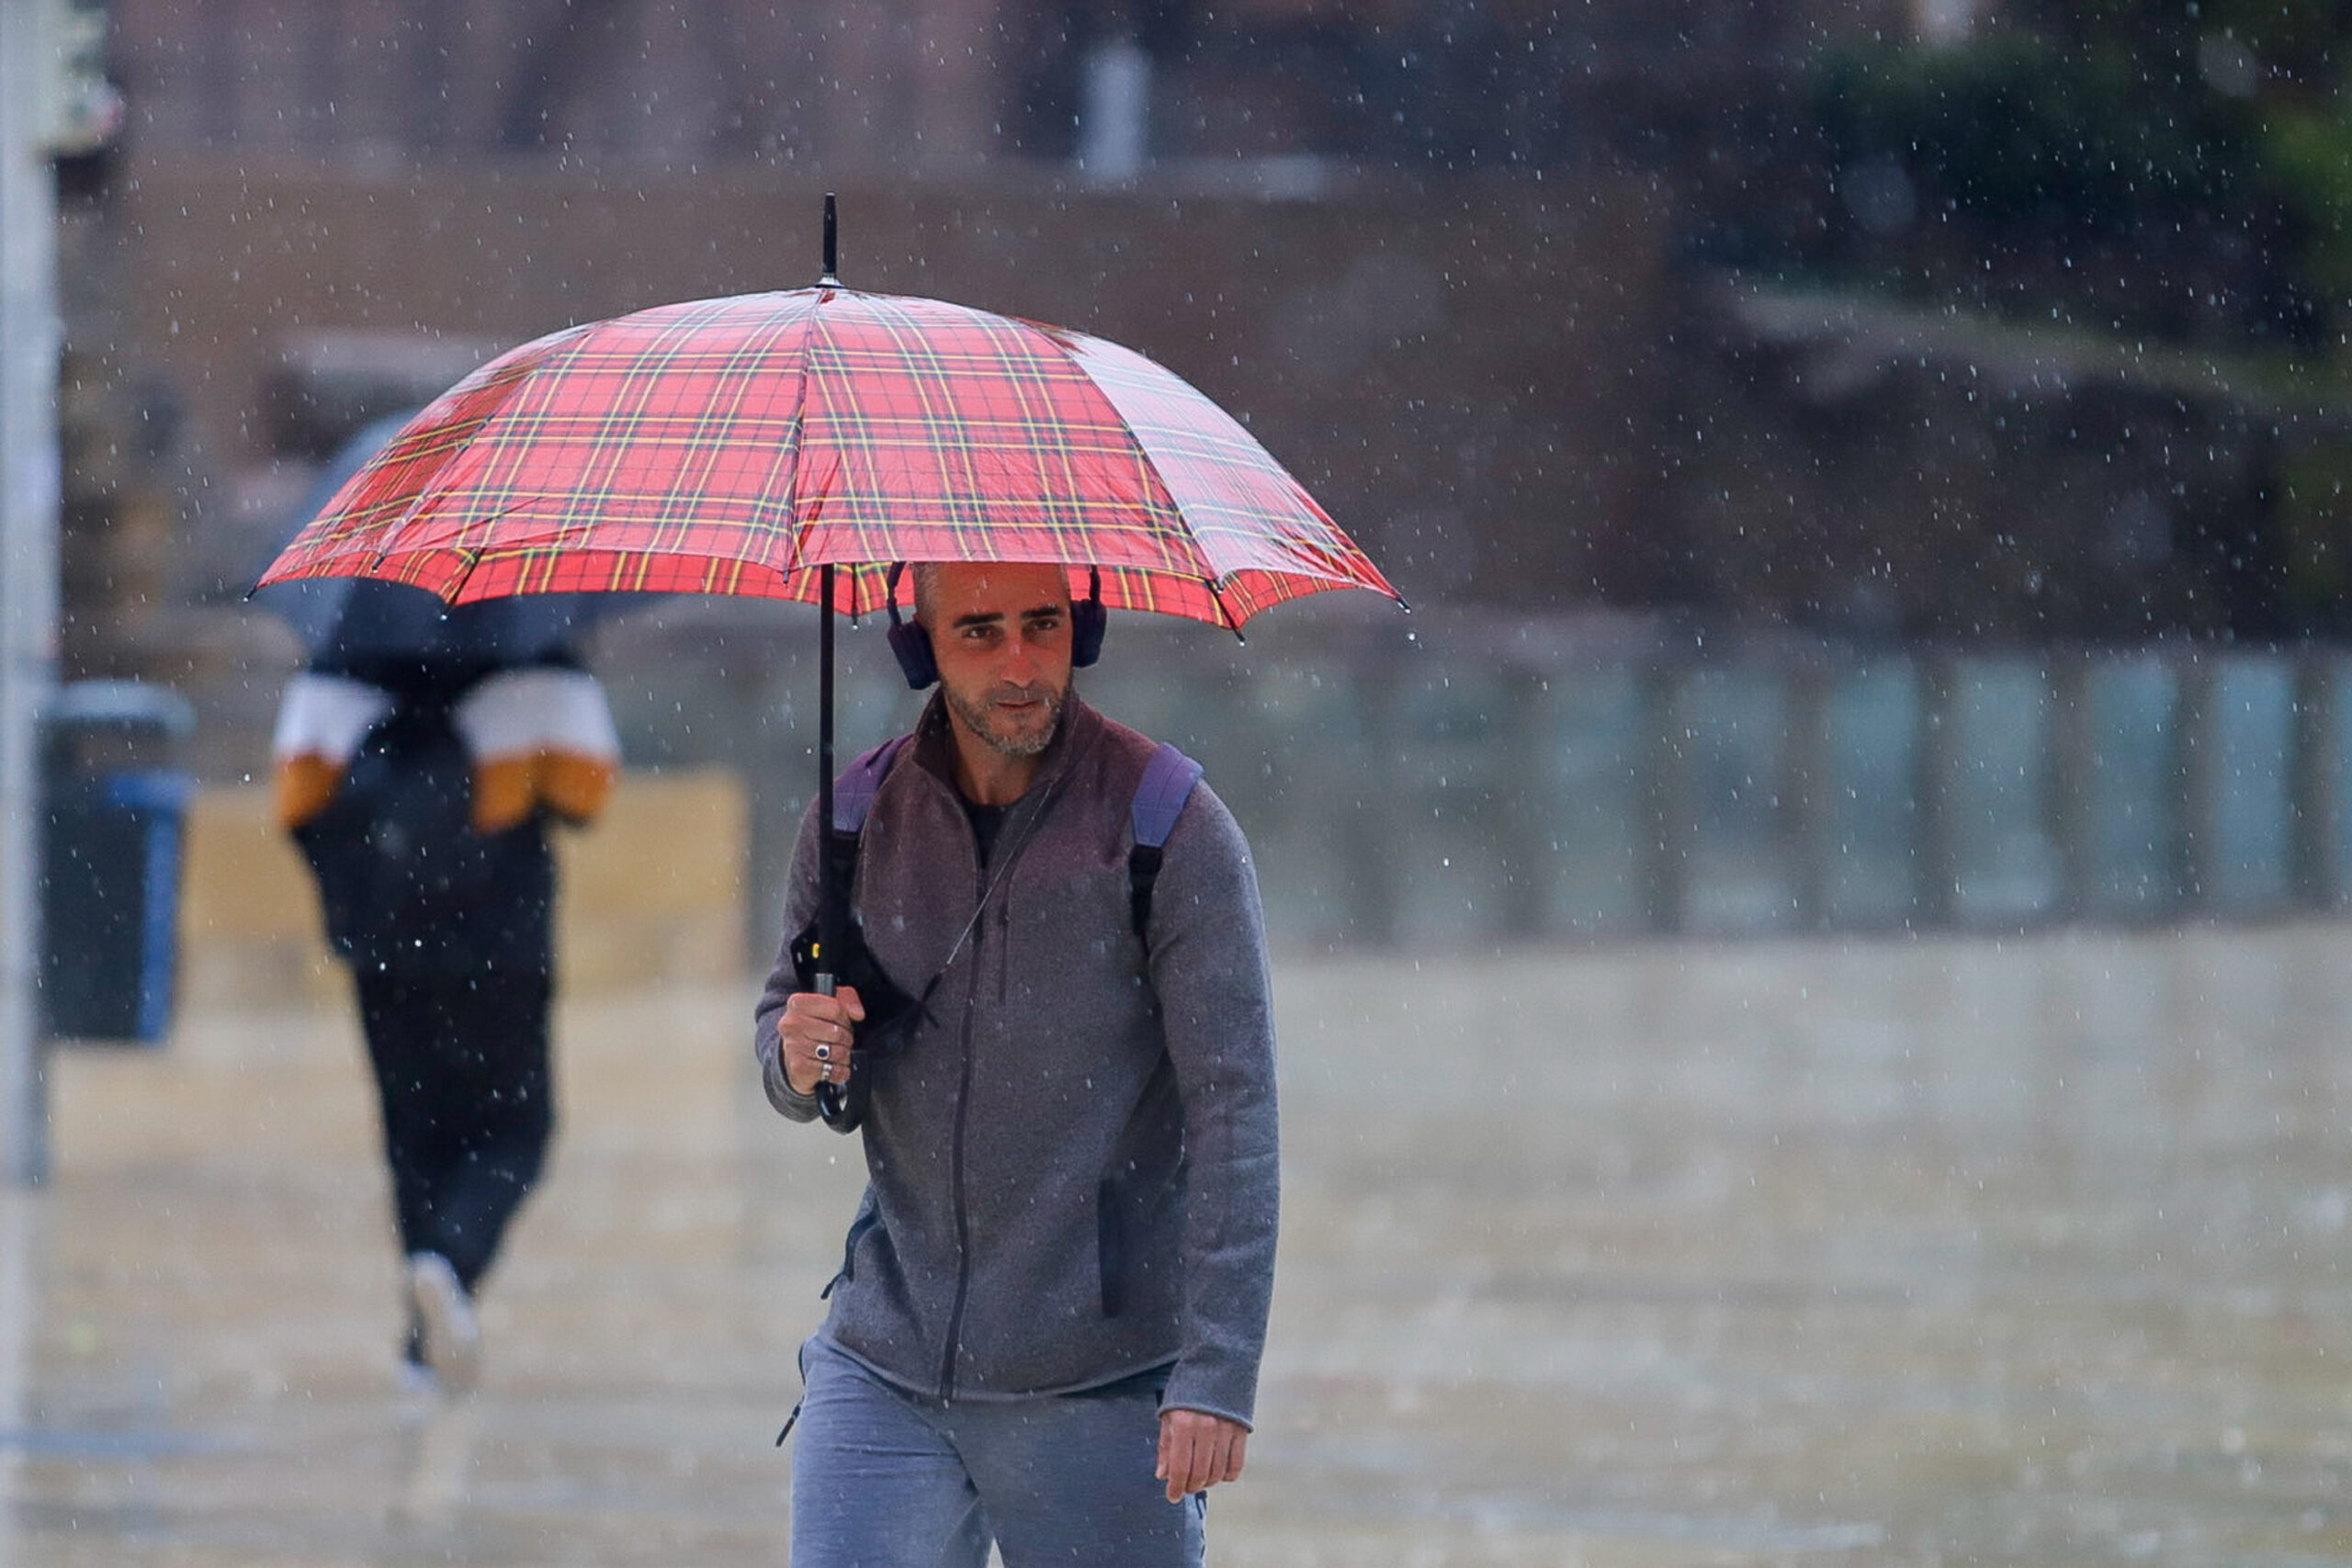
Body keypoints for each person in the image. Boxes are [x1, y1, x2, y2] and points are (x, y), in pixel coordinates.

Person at [754, 560, 1279, 1567]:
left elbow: (1236, 1115)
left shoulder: (1169, 828)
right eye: (979, 631)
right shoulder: (853, 821)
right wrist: (797, 1058)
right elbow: (787, 1033)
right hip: (882, 1365)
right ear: (920, 646)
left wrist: (1217, 1374)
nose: (1019, 663)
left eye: (1042, 625)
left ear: (1083, 629)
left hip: (1099, 1382)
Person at [275, 653, 619, 1393]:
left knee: (413, 1134)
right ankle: (450, 1263)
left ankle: (419, 1342)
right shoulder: (539, 658)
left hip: (388, 949)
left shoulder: (338, 661)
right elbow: (587, 793)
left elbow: (298, 805)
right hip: (503, 945)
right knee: (519, 1128)